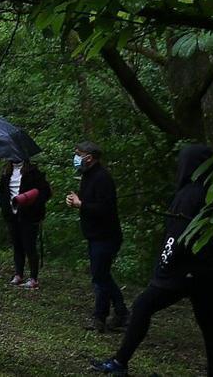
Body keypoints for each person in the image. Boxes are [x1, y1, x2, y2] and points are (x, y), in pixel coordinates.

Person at [92, 144, 213, 377]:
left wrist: (165, 265)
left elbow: (177, 235)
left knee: (143, 306)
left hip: (183, 271)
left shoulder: (189, 195)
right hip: (206, 272)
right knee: (210, 326)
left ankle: (120, 362)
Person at [66, 141, 128, 332]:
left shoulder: (102, 178)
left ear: (89, 157)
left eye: (78, 154)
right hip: (95, 235)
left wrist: (80, 205)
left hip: (106, 236)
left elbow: (104, 209)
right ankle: (116, 314)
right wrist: (76, 201)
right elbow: (90, 203)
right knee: (102, 276)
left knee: (100, 277)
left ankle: (105, 317)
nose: (76, 158)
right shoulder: (88, 175)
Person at [0, 158, 51, 289]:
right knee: (17, 245)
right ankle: (18, 274)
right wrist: (6, 209)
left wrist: (31, 205)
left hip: (29, 216)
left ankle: (33, 278)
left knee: (29, 246)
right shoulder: (6, 173)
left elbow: (45, 192)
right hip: (12, 215)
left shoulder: (33, 173)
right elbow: (2, 194)